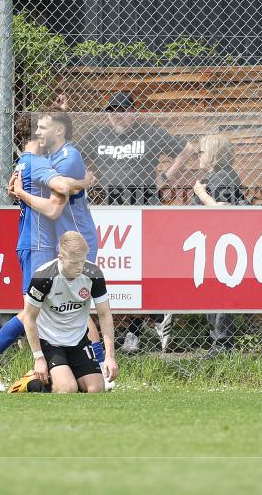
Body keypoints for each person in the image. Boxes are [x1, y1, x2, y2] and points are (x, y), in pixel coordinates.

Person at [0, 112, 98, 392]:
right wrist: (85, 182)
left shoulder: (38, 161)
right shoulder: (37, 163)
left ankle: (76, 369)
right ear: (36, 136)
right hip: (37, 243)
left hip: (43, 243)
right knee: (36, 311)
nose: (43, 132)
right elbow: (57, 200)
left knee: (64, 307)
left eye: (46, 126)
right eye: (39, 128)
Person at [81, 91, 191, 353]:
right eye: (111, 111)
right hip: (113, 210)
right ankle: (140, 326)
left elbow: (187, 148)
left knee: (146, 267)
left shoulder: (149, 132)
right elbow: (72, 156)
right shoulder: (97, 135)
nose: (117, 115)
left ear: (134, 112)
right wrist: (85, 177)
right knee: (121, 272)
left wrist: (166, 175)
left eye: (122, 110)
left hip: (144, 207)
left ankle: (149, 322)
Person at [11, 231, 118, 394]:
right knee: (68, 389)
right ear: (60, 257)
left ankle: (66, 375)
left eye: (82, 262)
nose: (79, 268)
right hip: (50, 342)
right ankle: (31, 381)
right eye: (74, 263)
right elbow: (29, 318)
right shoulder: (43, 277)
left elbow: (104, 315)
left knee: (96, 389)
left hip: (79, 341)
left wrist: (109, 356)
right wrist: (38, 358)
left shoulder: (93, 274)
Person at [193, 134, 247, 358]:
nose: (198, 157)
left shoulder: (223, 177)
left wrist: (201, 194)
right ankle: (218, 343)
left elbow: (222, 210)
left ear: (214, 154)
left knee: (220, 293)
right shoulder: (217, 176)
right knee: (214, 293)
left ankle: (222, 345)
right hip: (216, 243)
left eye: (201, 152)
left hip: (224, 244)